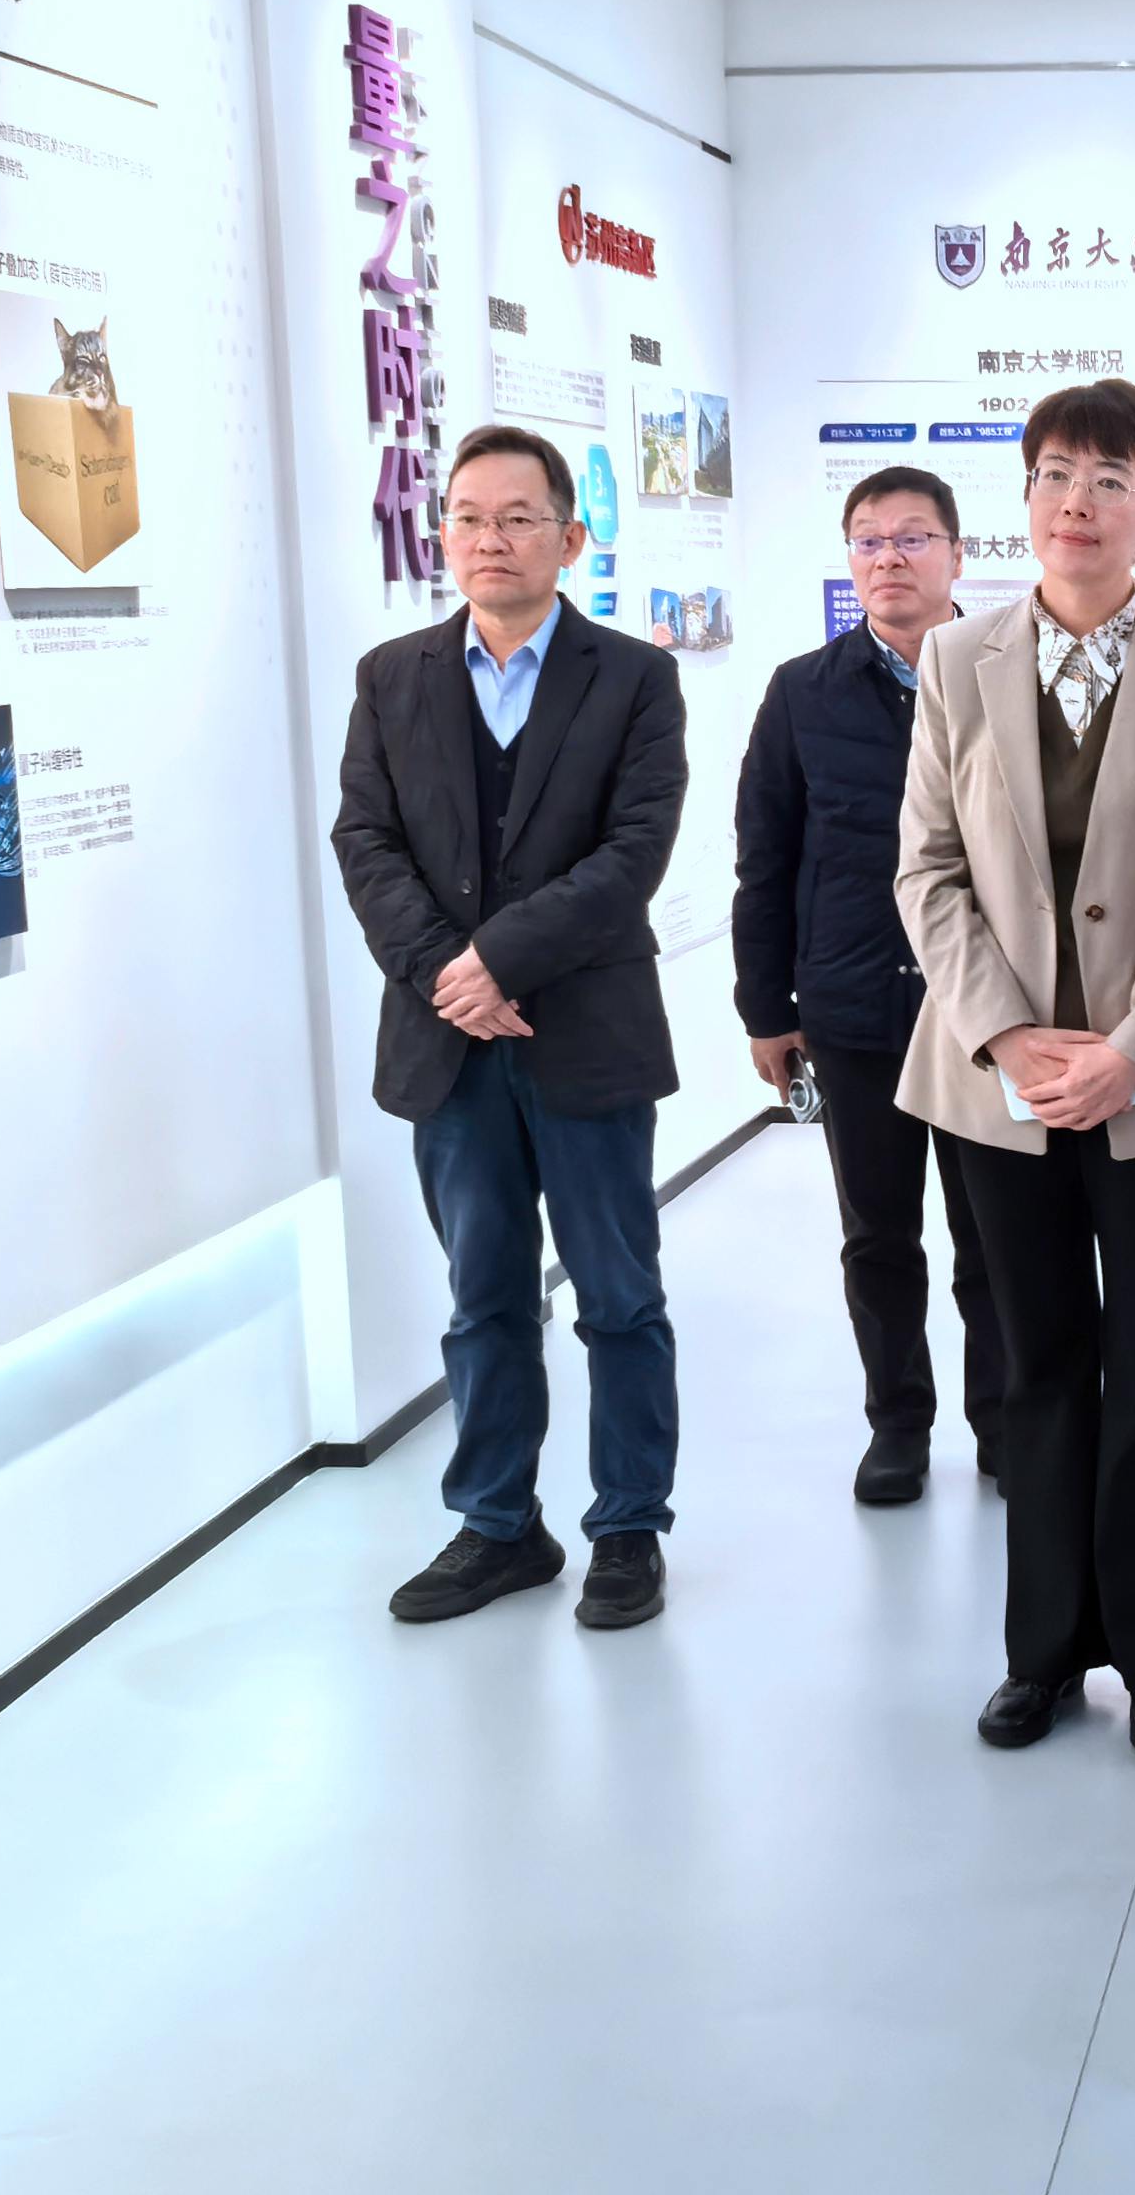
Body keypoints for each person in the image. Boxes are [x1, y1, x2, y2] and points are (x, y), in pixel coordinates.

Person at [895, 379, 1135, 1763]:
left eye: (1111, 478)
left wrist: (1130, 1048)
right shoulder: (956, 659)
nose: (1077, 502)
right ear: (1025, 496)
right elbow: (926, 868)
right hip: (994, 1084)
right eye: (1054, 472)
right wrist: (1002, 1030)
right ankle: (1040, 1649)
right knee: (1034, 1362)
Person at [331, 423, 689, 1632]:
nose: (491, 538)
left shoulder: (633, 678)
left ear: (569, 537)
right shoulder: (392, 677)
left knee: (617, 1295)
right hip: (450, 1045)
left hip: (584, 1035)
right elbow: (366, 841)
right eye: (469, 517)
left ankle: (627, 1525)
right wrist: (452, 975)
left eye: (519, 518)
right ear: (442, 534)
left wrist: (496, 959)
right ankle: (496, 1524)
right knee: (481, 1295)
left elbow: (631, 853)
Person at [733, 466, 1004, 1507]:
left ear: (957, 555)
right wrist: (767, 1010)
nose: (889, 558)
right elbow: (765, 861)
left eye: (912, 538)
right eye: (868, 541)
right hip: (853, 1009)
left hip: (985, 1009)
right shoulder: (802, 692)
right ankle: (898, 1424)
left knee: (994, 1236)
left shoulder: (1008, 672)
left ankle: (1005, 1421)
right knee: (878, 1235)